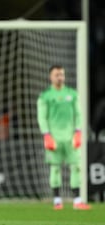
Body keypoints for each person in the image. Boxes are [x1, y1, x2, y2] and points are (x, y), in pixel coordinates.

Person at [37, 65, 90, 210]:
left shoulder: (72, 94)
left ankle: (77, 201)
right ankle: (57, 201)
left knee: (76, 167)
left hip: (71, 137)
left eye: (61, 74)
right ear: (51, 77)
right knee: (55, 168)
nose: (59, 77)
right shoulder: (45, 96)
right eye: (56, 74)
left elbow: (78, 114)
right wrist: (46, 135)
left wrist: (78, 132)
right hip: (54, 137)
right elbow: (42, 117)